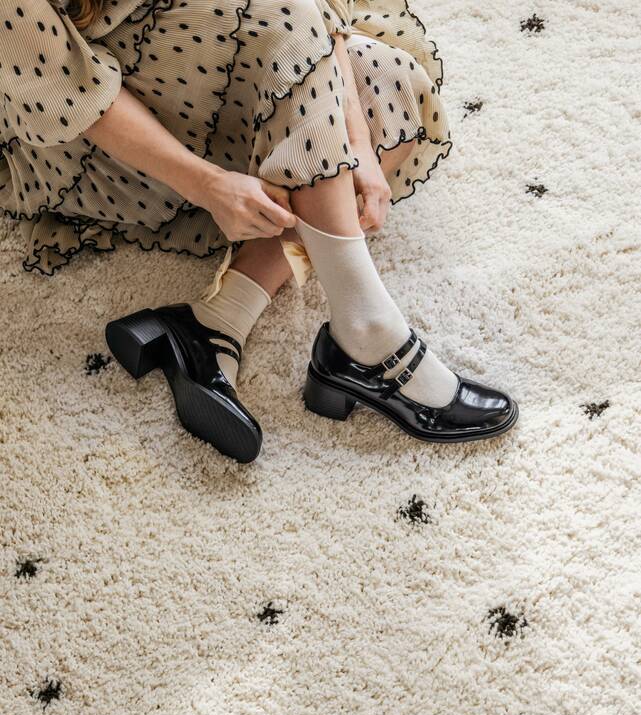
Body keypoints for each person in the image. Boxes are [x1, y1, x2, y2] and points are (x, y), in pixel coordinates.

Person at [0, 0, 518, 462]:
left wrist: (354, 143)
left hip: (200, 42)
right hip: (88, 120)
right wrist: (209, 186)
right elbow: (64, 90)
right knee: (284, 23)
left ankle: (221, 317)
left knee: (387, 80)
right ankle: (369, 335)